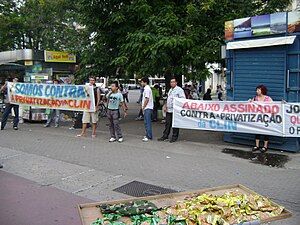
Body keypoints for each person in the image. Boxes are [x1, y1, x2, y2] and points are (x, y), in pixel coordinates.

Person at [158, 77, 186, 143]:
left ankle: (174, 136)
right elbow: (168, 99)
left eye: (173, 82)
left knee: (175, 124)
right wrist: (165, 106)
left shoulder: (179, 90)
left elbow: (183, 99)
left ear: (176, 83)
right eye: (171, 82)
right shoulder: (170, 90)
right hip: (169, 109)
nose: (172, 83)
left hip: (175, 110)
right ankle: (165, 135)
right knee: (168, 123)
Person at [249, 85, 273, 153]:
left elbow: (274, 106)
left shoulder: (268, 98)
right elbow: (251, 106)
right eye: (257, 90)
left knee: (266, 132)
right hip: (257, 117)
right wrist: (250, 102)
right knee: (257, 131)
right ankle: (257, 145)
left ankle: (265, 146)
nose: (257, 91)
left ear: (262, 90)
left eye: (258, 90)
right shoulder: (255, 98)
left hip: (266, 117)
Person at [140, 77, 153, 142]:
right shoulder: (146, 89)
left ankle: (149, 136)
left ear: (145, 82)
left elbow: (147, 99)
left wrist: (143, 107)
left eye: (142, 82)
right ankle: (148, 134)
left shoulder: (147, 89)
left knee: (147, 122)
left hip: (147, 107)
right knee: (146, 122)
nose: (141, 83)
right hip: (147, 107)